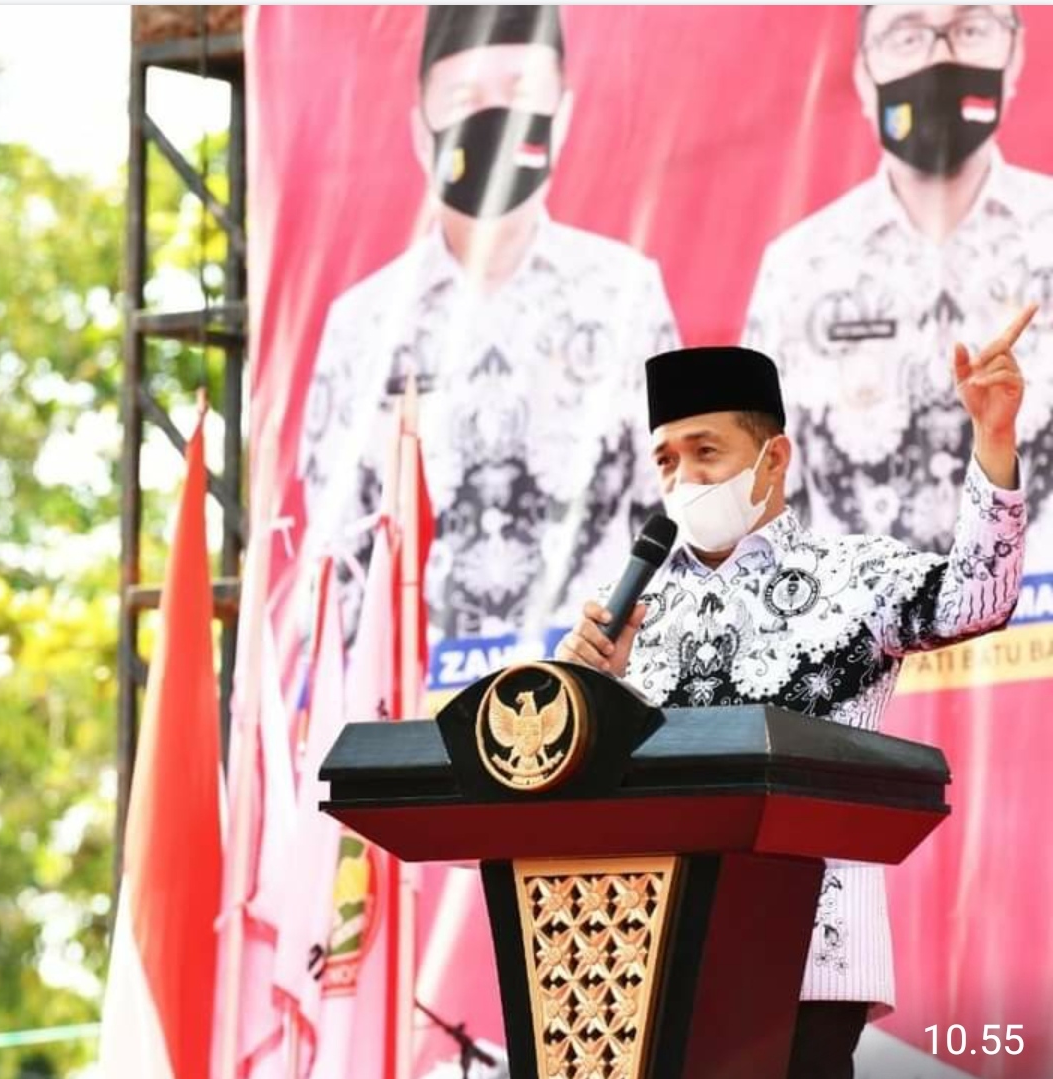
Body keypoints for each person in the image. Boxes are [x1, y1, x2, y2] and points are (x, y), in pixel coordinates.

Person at [556, 308, 1033, 1078]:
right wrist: (585, 686)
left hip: (811, 960)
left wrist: (994, 439)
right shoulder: (633, 607)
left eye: (705, 451)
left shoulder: (853, 576)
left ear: (774, 458)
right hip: (655, 956)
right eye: (666, 460)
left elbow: (975, 599)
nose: (683, 478)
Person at [298, 5, 678, 655]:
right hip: (416, 700)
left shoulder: (624, 294)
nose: (494, 121)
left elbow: (671, 516)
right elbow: (335, 554)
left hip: (592, 689)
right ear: (422, 132)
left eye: (520, 92)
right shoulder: (365, 323)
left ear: (562, 114)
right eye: (465, 100)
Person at [743, 5, 1053, 576]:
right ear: (863, 74)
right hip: (861, 623)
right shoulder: (800, 267)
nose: (941, 57)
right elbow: (761, 490)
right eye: (907, 36)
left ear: (1015, 55)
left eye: (972, 29)